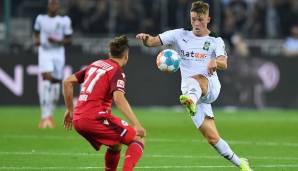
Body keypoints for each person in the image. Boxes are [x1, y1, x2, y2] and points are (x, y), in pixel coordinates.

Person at [136, 1, 252, 171]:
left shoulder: (215, 41)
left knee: (196, 78)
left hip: (210, 87)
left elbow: (224, 62)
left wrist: (215, 62)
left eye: (201, 19)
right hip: (191, 95)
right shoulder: (179, 35)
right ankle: (241, 163)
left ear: (208, 18)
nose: (197, 23)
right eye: (194, 19)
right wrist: (146, 40)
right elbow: (154, 41)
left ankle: (190, 99)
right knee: (212, 138)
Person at [63, 35, 146, 171]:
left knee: (115, 145)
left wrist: (70, 110)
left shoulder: (95, 64)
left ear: (110, 53)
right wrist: (137, 124)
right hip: (95, 118)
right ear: (126, 56)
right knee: (138, 138)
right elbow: (119, 99)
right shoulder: (117, 72)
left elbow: (67, 82)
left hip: (78, 119)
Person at [33, 0, 73, 128]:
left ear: (58, 6)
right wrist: (37, 41)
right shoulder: (40, 19)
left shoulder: (64, 21)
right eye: (51, 3)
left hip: (58, 54)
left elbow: (69, 40)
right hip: (44, 52)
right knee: (46, 78)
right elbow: (36, 33)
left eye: (55, 3)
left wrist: (57, 41)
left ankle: (49, 115)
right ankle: (44, 116)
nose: (53, 6)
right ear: (48, 5)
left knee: (56, 84)